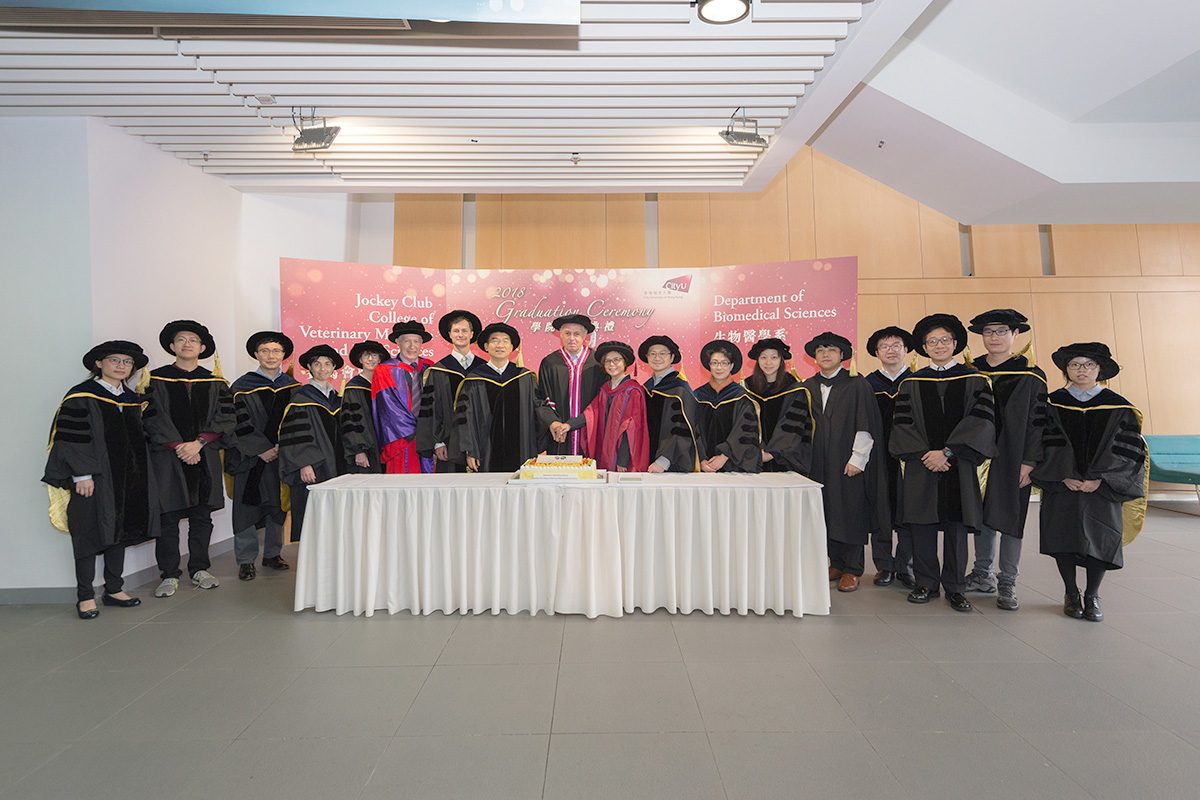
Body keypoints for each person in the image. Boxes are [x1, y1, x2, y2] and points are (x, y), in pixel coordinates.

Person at [1032, 343, 1146, 622]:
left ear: (1100, 370)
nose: (1081, 370)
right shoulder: (1050, 403)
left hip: (1102, 488)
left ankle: (1092, 594)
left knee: (1101, 538)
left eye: (1088, 365)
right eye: (1074, 365)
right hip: (1063, 484)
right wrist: (1062, 475)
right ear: (1065, 370)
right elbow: (1039, 443)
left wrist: (1101, 479)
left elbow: (1130, 450)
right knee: (1063, 538)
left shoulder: (1120, 407)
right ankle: (1071, 593)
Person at [43, 340, 157, 619]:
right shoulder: (81, 396)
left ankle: (114, 588)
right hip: (94, 479)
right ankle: (85, 596)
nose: (121, 366)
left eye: (127, 362)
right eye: (115, 360)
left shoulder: (133, 399)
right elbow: (70, 438)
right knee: (88, 533)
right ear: (99, 363)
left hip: (129, 478)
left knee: (118, 530)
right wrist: (82, 474)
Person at [890, 314, 996, 612]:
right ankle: (926, 582)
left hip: (958, 463)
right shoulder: (911, 382)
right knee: (921, 525)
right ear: (924, 347)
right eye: (932, 341)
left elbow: (981, 422)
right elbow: (902, 425)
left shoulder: (975, 380)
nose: (939, 345)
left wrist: (947, 452)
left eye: (944, 340)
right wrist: (928, 454)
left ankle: (956, 587)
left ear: (956, 344)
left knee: (956, 526)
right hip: (921, 462)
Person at [142, 320, 235, 597]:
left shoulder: (216, 382)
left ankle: (199, 569)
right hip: (167, 459)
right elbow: (150, 417)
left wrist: (199, 443)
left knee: (201, 516)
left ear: (202, 348)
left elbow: (226, 417)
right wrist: (179, 446)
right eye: (181, 340)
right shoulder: (154, 379)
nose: (187, 344)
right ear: (171, 346)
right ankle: (169, 574)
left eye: (193, 340)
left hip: (204, 456)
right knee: (168, 518)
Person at [965, 309, 1047, 611]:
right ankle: (982, 572)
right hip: (977, 456)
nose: (995, 337)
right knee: (982, 515)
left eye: (1001, 331)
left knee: (1011, 518)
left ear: (1015, 335)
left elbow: (1039, 422)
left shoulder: (1031, 374)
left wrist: (1030, 461)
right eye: (989, 332)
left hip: (1014, 456)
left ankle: (1008, 581)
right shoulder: (971, 371)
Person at [801, 332, 889, 593]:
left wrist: (858, 459)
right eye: (820, 351)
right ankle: (836, 562)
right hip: (817, 461)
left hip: (846, 460)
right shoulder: (807, 385)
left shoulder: (857, 385)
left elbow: (866, 424)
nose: (825, 354)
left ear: (842, 355)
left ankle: (853, 568)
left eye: (831, 350)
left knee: (850, 512)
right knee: (826, 510)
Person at [225, 331, 300, 582]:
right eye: (265, 351)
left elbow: (298, 422)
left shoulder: (293, 387)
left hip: (282, 455)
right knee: (246, 508)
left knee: (278, 506)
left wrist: (281, 446)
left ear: (283, 355)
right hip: (251, 457)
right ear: (256, 355)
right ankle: (246, 560)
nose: (271, 355)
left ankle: (272, 554)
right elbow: (236, 422)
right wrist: (261, 448)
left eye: (276, 351)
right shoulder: (240, 386)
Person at [455, 322, 556, 472]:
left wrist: (552, 422)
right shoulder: (474, 380)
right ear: (486, 346)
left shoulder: (524, 377)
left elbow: (538, 406)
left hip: (521, 450)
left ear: (512, 347)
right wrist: (471, 450)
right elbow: (465, 418)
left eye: (505, 341)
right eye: (494, 340)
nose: (499, 345)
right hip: (485, 451)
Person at [863, 326, 917, 589]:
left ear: (906, 349)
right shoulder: (867, 385)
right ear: (877, 352)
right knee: (880, 511)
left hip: (911, 459)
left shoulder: (919, 381)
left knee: (909, 511)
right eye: (885, 346)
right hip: (877, 458)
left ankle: (905, 565)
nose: (891, 350)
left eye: (897, 345)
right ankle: (884, 565)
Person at [278, 344, 343, 539]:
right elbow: (294, 434)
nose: (322, 368)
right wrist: (304, 462)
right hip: (315, 468)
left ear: (333, 368)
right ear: (309, 368)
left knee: (335, 514)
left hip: (338, 467)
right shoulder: (300, 398)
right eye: (317, 364)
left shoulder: (339, 398)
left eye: (327, 364)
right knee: (312, 513)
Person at [416, 309, 481, 473]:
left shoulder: (484, 369)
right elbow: (432, 409)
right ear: (450, 335)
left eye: (465, 330)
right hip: (449, 443)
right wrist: (438, 442)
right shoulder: (439, 370)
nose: (461, 334)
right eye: (456, 331)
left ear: (472, 334)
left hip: (481, 442)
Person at [575, 340, 650, 472]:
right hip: (605, 450)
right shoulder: (605, 389)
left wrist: (622, 460)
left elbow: (631, 428)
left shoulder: (633, 390)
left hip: (623, 459)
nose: (611, 364)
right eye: (607, 361)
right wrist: (568, 425)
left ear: (625, 362)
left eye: (616, 360)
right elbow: (591, 414)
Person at [372, 320, 435, 474]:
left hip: (429, 439)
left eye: (416, 341)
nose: (412, 346)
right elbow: (389, 408)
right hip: (400, 439)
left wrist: (431, 432)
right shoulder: (384, 370)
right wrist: (417, 428)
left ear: (421, 344)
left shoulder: (431, 367)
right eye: (406, 341)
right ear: (397, 343)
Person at [744, 337, 813, 476]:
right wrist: (756, 451)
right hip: (753, 459)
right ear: (757, 360)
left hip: (785, 460)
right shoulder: (747, 388)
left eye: (774, 357)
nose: (768, 362)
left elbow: (793, 425)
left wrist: (771, 453)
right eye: (763, 357)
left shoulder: (795, 389)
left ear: (782, 360)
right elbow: (743, 423)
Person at [694, 339, 761, 473]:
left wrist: (724, 456)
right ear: (709, 365)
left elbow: (745, 431)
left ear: (732, 366)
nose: (719, 368)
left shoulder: (741, 397)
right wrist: (701, 459)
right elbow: (693, 430)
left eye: (725, 363)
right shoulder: (698, 396)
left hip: (732, 465)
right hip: (703, 466)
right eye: (715, 363)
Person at [542, 314, 605, 455]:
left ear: (585, 336)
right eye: (567, 333)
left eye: (577, 334)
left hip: (590, 430)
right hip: (559, 433)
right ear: (560, 335)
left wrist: (579, 421)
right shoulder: (550, 362)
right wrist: (553, 422)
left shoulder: (597, 362)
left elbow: (602, 399)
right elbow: (542, 398)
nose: (572, 338)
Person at [639, 335, 701, 473]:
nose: (657, 358)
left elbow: (681, 429)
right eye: (652, 354)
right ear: (647, 358)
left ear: (672, 357)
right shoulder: (646, 388)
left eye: (662, 353)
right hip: (647, 461)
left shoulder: (680, 389)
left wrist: (664, 460)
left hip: (671, 464)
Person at [340, 339, 389, 474]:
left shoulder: (385, 387)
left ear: (380, 359)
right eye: (366, 355)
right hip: (366, 451)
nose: (370, 359)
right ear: (360, 360)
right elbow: (350, 422)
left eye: (374, 355)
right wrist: (358, 450)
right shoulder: (353, 388)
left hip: (385, 450)